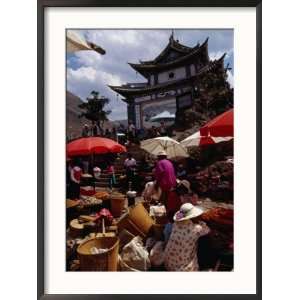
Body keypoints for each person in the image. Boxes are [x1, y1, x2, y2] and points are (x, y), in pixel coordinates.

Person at [164, 203, 210, 271]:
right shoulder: (197, 229)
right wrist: (201, 222)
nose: (198, 217)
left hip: (167, 262)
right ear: (192, 217)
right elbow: (208, 230)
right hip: (180, 267)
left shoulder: (176, 224)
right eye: (196, 216)